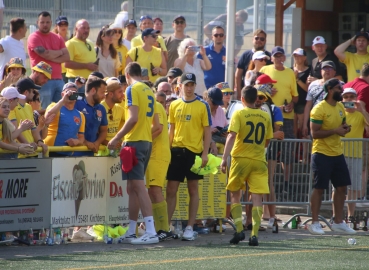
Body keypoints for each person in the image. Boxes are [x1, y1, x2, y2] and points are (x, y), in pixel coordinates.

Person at [108, 62, 160, 245]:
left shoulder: (132, 89)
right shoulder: (148, 89)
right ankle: (132, 230)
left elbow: (133, 118)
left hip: (135, 142)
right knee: (132, 188)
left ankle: (151, 231)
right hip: (145, 141)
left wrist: (116, 138)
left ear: (126, 74)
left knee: (138, 187)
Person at [221, 85, 273, 246]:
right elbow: (267, 140)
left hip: (240, 158)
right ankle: (254, 234)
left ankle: (238, 230)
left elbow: (231, 136)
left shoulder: (239, 113)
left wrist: (224, 158)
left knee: (235, 194)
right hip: (258, 160)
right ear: (256, 98)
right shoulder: (265, 116)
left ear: (242, 99)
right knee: (257, 197)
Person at [166, 73, 211, 241]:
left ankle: (190, 227)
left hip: (194, 153)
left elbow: (207, 130)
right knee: (171, 189)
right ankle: (166, 226)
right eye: (187, 84)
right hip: (176, 151)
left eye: (192, 84)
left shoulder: (202, 105)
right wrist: (168, 150)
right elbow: (172, 129)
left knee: (193, 189)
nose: (190, 88)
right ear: (180, 86)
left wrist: (205, 153)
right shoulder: (174, 105)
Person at [308, 78, 356, 235]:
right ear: (329, 90)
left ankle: (338, 222)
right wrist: (335, 131)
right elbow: (314, 133)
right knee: (319, 188)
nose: (341, 91)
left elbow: (341, 125)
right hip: (321, 153)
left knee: (342, 187)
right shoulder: (319, 108)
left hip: (337, 153)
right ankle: (314, 222)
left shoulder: (341, 107)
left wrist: (345, 128)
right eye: (337, 88)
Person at [260, 47, 298, 194]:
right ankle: (270, 181)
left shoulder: (290, 72)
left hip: (287, 117)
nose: (278, 58)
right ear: (272, 58)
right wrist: (268, 92)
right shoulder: (264, 69)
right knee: (270, 150)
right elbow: (256, 88)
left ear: (284, 57)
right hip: (269, 116)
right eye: (275, 56)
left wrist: (291, 104)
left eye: (280, 56)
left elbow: (295, 96)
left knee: (288, 151)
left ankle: (286, 183)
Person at [333, 88, 369, 219]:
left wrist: (363, 110)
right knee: (337, 187)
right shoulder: (339, 113)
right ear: (342, 99)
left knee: (353, 188)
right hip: (338, 154)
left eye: (351, 97)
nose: (348, 99)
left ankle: (350, 216)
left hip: (356, 155)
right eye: (346, 97)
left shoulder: (360, 115)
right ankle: (335, 216)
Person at [254, 80, 284, 229]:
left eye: (262, 97)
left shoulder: (274, 109)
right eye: (257, 96)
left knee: (268, 182)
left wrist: (270, 135)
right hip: (254, 149)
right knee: (252, 185)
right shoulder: (250, 108)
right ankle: (254, 218)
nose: (259, 99)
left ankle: (272, 215)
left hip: (269, 149)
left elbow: (278, 132)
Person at [27, 11, 70, 109]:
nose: (45, 25)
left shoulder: (58, 37)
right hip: (43, 80)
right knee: (44, 109)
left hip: (59, 79)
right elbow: (44, 54)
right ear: (37, 22)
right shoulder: (34, 37)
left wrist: (50, 55)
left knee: (62, 110)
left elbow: (67, 57)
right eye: (42, 22)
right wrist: (60, 52)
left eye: (47, 22)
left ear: (51, 23)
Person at [145, 89, 172, 241]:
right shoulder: (150, 106)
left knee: (155, 191)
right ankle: (160, 228)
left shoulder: (155, 105)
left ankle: (164, 228)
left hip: (158, 155)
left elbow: (158, 128)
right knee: (152, 192)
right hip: (153, 154)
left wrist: (141, 138)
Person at [44, 82, 85, 157]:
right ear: (62, 94)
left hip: (68, 153)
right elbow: (47, 117)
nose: (70, 94)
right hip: (51, 151)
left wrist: (77, 141)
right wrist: (63, 100)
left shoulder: (80, 115)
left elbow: (81, 137)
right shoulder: (54, 106)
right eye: (68, 92)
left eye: (74, 93)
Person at [302, 61, 341, 138]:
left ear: (334, 72)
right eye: (325, 68)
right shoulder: (313, 84)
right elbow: (308, 105)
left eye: (330, 68)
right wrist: (304, 125)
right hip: (316, 118)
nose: (327, 70)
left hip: (332, 119)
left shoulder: (340, 85)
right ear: (321, 71)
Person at [74, 73, 108, 156]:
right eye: (102, 92)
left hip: (91, 154)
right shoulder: (76, 103)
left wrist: (97, 143)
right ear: (93, 90)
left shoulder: (101, 108)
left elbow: (103, 130)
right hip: (74, 153)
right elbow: (70, 127)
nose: (104, 96)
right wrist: (85, 142)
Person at [13, 79, 48, 157]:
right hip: (21, 154)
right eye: (32, 91)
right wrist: (28, 144)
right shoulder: (12, 107)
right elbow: (15, 131)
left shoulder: (28, 107)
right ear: (26, 92)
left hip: (31, 151)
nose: (33, 94)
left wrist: (39, 142)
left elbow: (33, 129)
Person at [235, 29, 272, 99]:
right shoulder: (245, 55)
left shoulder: (270, 56)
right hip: (247, 94)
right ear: (252, 39)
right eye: (257, 38)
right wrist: (239, 93)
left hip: (264, 96)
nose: (259, 40)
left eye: (262, 39)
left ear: (265, 41)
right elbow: (238, 75)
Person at [65, 19, 97, 91]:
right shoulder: (70, 43)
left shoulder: (90, 43)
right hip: (77, 82)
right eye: (83, 28)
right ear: (76, 29)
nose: (86, 30)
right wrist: (86, 66)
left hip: (90, 82)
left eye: (88, 28)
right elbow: (67, 64)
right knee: (76, 102)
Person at [100, 77, 125, 149]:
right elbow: (95, 133)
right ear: (110, 94)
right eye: (120, 92)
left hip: (115, 151)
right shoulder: (99, 108)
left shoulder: (120, 109)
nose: (123, 95)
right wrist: (108, 143)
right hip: (100, 153)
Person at [292, 48, 311, 139]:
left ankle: (304, 153)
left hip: (303, 103)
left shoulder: (309, 70)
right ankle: (293, 153)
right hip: (291, 103)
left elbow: (308, 89)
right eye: (295, 56)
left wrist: (297, 79)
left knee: (303, 130)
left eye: (299, 56)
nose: (297, 58)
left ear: (304, 58)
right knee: (293, 131)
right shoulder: (289, 70)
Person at [203, 87, 227, 154]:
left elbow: (225, 126)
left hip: (221, 148)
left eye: (218, 103)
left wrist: (225, 133)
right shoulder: (202, 110)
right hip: (205, 149)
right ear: (207, 98)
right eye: (214, 103)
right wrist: (209, 131)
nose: (216, 106)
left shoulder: (220, 111)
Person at [52, 16, 69, 83]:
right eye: (60, 25)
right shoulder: (53, 39)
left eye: (65, 24)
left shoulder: (71, 40)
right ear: (56, 26)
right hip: (59, 71)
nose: (63, 27)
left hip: (69, 71)